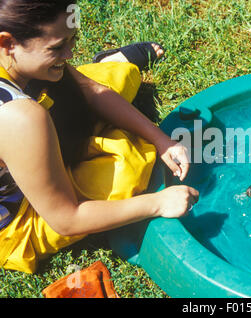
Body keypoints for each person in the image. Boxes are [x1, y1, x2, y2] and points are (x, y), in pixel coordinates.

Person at [0, 0, 199, 274]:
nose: (71, 53)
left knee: (120, 78)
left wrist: (160, 138)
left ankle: (111, 63)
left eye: (73, 40)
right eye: (58, 46)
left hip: (34, 124)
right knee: (130, 166)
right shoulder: (18, 117)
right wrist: (158, 203)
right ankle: (109, 67)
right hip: (20, 218)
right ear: (7, 43)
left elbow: (90, 90)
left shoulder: (20, 59)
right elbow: (66, 219)